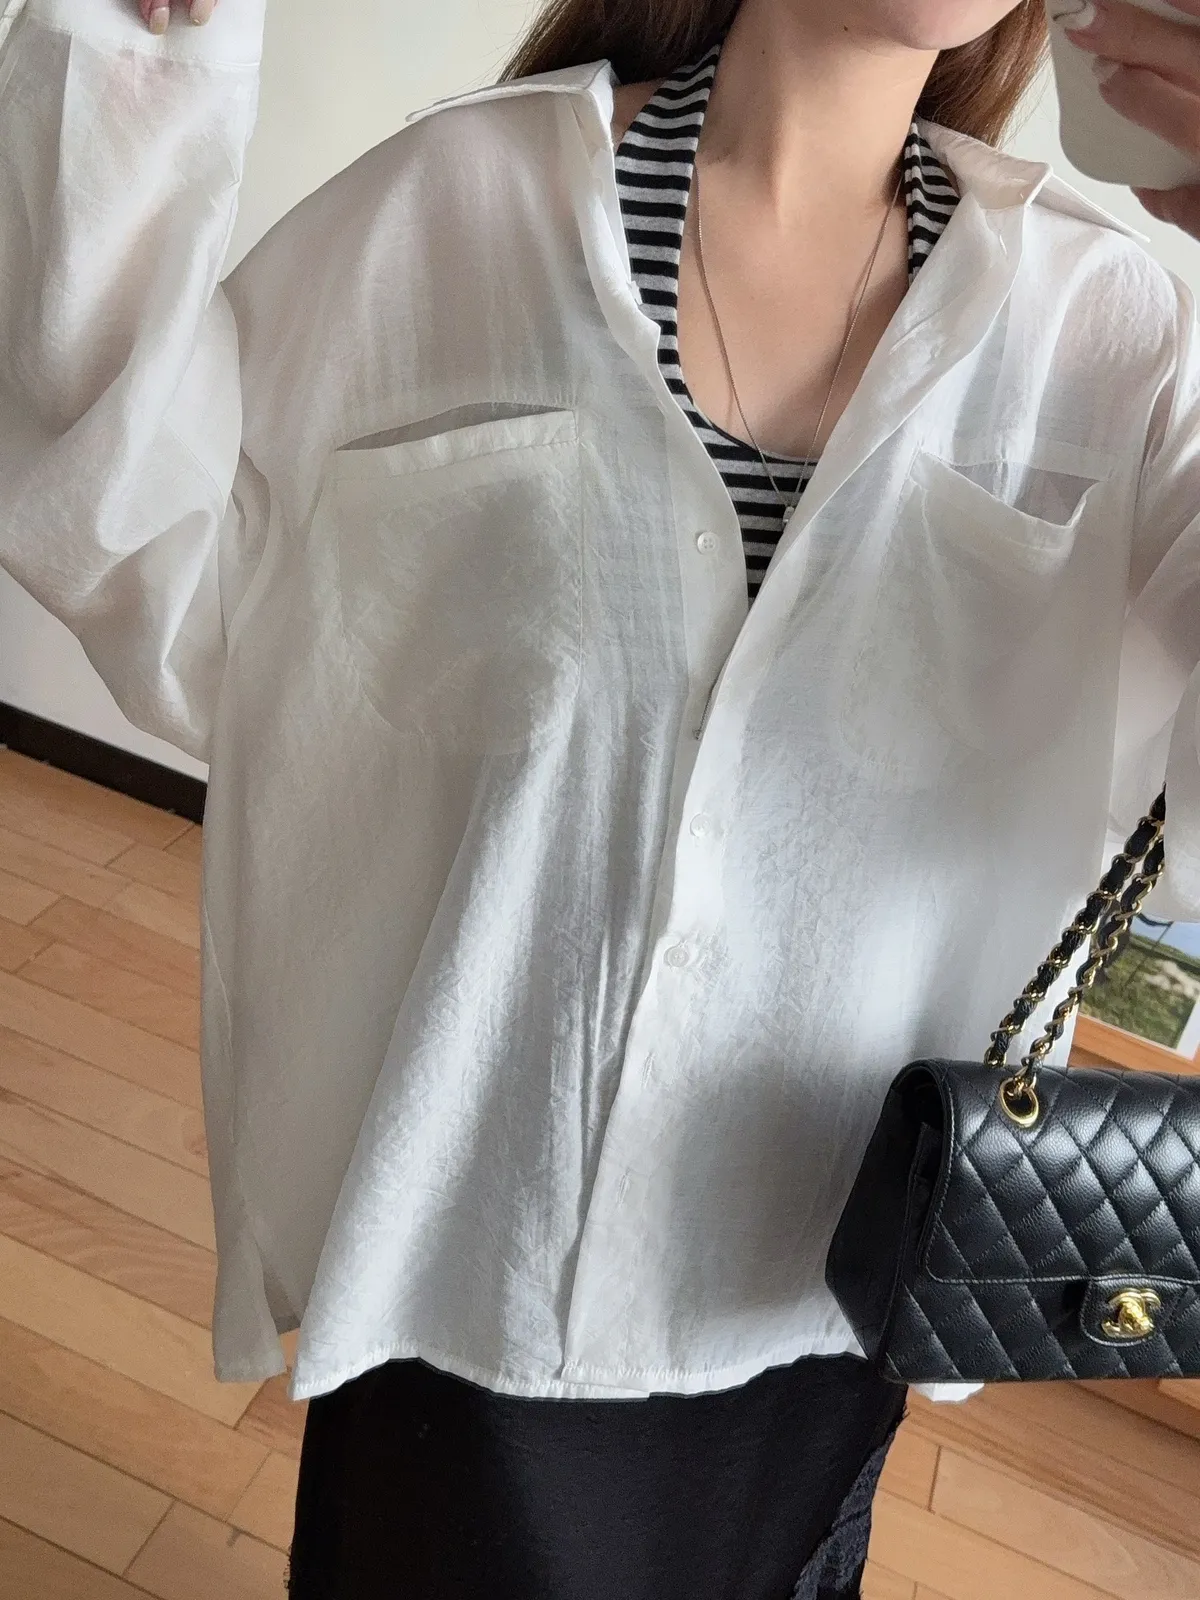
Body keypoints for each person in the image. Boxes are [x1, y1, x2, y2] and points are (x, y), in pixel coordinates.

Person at [5, 0, 1200, 1593]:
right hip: (463, 1246)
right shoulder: (460, 208)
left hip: (825, 1274)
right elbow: (155, 563)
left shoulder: (1107, 333)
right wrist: (140, 64)